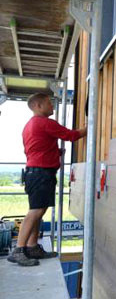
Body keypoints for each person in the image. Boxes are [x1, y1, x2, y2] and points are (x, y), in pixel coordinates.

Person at [8, 93, 86, 266]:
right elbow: (71, 136)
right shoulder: (45, 122)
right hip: (41, 174)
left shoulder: (30, 125)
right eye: (49, 103)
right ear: (38, 106)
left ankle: (32, 247)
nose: (52, 106)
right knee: (36, 211)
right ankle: (19, 250)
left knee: (39, 210)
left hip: (35, 173)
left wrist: (54, 152)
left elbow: (36, 147)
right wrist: (90, 128)